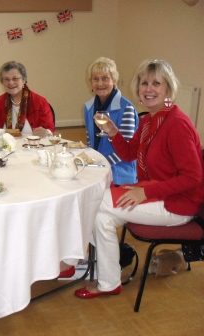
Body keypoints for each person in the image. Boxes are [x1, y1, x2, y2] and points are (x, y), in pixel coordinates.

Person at [74, 59, 204, 299]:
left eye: (157, 83)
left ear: (168, 89)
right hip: (158, 193)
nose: (149, 89)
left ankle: (70, 260)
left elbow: (193, 177)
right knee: (101, 218)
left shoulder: (176, 124)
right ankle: (109, 282)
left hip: (178, 204)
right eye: (144, 83)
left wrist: (144, 193)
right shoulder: (149, 120)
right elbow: (130, 153)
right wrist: (113, 132)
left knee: (92, 201)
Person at [84, 57, 139, 185]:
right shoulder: (88, 107)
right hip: (98, 168)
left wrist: (101, 164)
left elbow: (127, 150)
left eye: (105, 78)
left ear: (114, 80)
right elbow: (89, 141)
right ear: (91, 82)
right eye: (95, 79)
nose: (100, 83)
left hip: (120, 172)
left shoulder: (126, 108)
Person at [0, 61, 54, 137]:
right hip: (5, 147)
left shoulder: (40, 102)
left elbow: (50, 131)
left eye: (15, 78)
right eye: (7, 79)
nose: (11, 82)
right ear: (2, 82)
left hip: (32, 146)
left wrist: (46, 132)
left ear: (24, 80)